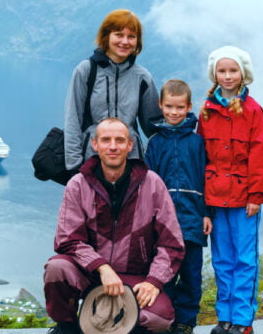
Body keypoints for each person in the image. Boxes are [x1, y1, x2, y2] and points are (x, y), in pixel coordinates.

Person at [43, 117, 185, 334]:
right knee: (57, 268)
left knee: (159, 319)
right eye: (106, 140)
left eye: (119, 140)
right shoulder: (78, 184)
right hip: (89, 274)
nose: (112, 146)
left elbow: (171, 244)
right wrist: (102, 267)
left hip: (135, 277)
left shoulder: (152, 183)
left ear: (130, 145)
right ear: (95, 144)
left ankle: (112, 325)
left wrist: (153, 281)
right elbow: (68, 239)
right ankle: (67, 327)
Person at [197, 46, 263, 334]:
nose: (227, 76)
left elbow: (260, 156)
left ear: (243, 74)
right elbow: (200, 157)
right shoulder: (206, 110)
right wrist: (203, 203)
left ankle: (242, 321)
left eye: (233, 70)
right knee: (222, 260)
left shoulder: (253, 111)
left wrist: (256, 195)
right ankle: (224, 318)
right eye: (222, 71)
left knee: (244, 259)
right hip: (215, 197)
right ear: (214, 73)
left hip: (244, 200)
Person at [144, 79, 212, 334]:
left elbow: (206, 180)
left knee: (192, 275)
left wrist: (207, 213)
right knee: (165, 273)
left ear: (188, 107)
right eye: (169, 107)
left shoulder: (197, 142)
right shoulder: (155, 142)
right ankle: (167, 318)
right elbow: (148, 184)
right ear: (161, 105)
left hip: (193, 220)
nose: (174, 112)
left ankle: (186, 322)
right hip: (162, 223)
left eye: (179, 107)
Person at [63, 9, 162, 175]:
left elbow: (154, 126)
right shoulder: (86, 71)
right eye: (118, 34)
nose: (125, 41)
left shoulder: (142, 77)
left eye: (131, 36)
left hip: (131, 163)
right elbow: (73, 119)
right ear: (106, 36)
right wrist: (74, 166)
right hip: (91, 161)